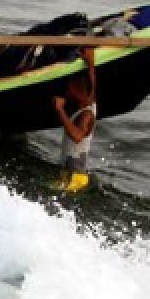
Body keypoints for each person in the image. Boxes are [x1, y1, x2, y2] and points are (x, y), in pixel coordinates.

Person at [51, 47, 97, 192]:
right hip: (68, 173)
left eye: (71, 90)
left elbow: (77, 136)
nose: (67, 93)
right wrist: (90, 64)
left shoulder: (86, 115)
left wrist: (60, 109)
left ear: (80, 94)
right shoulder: (89, 101)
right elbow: (91, 86)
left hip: (75, 178)